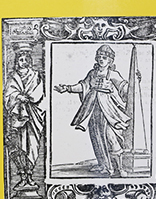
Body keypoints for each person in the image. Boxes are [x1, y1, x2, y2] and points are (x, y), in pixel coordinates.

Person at [54, 45, 131, 177]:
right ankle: (104, 166)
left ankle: (120, 168)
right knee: (96, 137)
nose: (101, 59)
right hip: (93, 108)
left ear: (110, 60)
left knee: (111, 137)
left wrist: (136, 81)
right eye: (99, 57)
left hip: (108, 110)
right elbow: (83, 86)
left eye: (104, 57)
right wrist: (67, 88)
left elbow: (125, 87)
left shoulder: (113, 74)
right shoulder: (92, 73)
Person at [4, 49, 45, 190]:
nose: (24, 62)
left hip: (33, 116)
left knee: (32, 146)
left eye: (26, 59)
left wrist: (30, 98)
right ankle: (22, 177)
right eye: (21, 60)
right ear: (17, 61)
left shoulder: (36, 75)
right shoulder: (13, 77)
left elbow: (40, 92)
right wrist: (17, 96)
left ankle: (30, 175)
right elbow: (8, 94)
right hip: (18, 118)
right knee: (18, 146)